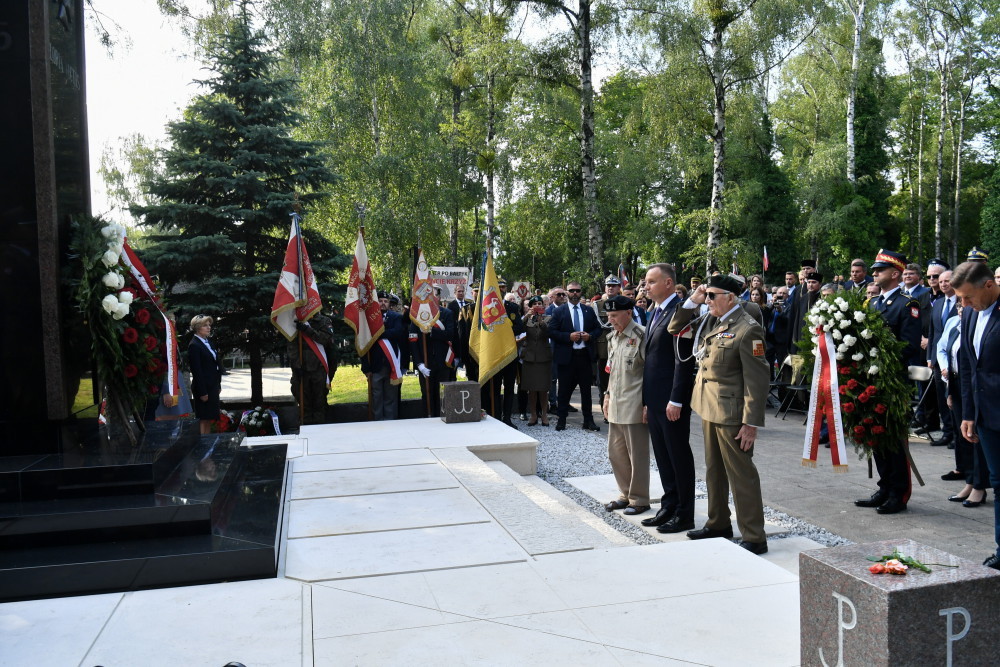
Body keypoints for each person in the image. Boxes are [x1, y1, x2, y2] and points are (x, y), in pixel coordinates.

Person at [668, 274, 770, 554]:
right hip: (707, 405)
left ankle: (754, 535)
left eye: (713, 295)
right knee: (713, 470)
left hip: (732, 412)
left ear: (731, 297)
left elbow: (757, 380)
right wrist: (694, 299)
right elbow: (674, 328)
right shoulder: (711, 319)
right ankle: (718, 523)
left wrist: (751, 422)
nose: (708, 299)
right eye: (706, 294)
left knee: (741, 474)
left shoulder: (747, 328)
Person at [855, 250, 921, 515]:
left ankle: (899, 492)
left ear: (895, 274)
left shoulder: (908, 304)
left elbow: (909, 345)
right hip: (870, 381)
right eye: (874, 270)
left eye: (879, 270)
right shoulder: (871, 305)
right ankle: (884, 486)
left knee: (893, 438)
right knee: (875, 435)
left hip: (893, 382)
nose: (874, 273)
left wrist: (879, 358)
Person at [640, 264, 696, 533]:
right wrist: (646, 401)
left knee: (678, 456)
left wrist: (676, 399)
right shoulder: (655, 311)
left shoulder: (681, 312)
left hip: (672, 400)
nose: (645, 286)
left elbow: (682, 361)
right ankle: (669, 505)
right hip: (655, 398)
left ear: (669, 283)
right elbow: (650, 361)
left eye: (651, 282)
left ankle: (685, 513)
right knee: (662, 456)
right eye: (645, 282)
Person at [953, 260, 1000, 570]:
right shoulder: (970, 314)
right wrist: (969, 413)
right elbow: (969, 366)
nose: (963, 304)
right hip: (985, 417)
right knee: (998, 481)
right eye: (960, 298)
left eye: (967, 296)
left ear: (989, 285)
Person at [602, 295, 651, 516]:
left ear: (628, 313)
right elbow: (611, 371)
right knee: (616, 453)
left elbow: (651, 374)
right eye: (608, 316)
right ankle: (626, 493)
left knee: (637, 454)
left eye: (614, 315)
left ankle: (639, 499)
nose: (610, 320)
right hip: (616, 402)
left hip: (635, 403)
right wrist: (606, 396)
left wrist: (648, 403)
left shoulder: (642, 335)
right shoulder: (613, 337)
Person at [549, 280, 602, 431]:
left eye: (577, 291)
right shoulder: (559, 311)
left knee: (586, 391)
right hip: (567, 357)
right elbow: (551, 331)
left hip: (584, 356)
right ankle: (562, 420)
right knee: (564, 390)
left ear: (581, 292)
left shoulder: (588, 310)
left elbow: (598, 329)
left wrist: (590, 336)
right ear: (567, 292)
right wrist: (568, 336)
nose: (575, 294)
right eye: (572, 291)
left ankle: (588, 420)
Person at [409, 295, 456, 418]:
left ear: (439, 298)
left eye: (434, 295)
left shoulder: (447, 313)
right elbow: (413, 340)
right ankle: (428, 420)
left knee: (442, 395)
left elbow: (450, 334)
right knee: (427, 394)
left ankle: (443, 420)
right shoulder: (416, 316)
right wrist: (419, 364)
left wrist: (432, 331)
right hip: (425, 363)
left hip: (443, 362)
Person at [362, 291, 406, 420]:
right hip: (375, 365)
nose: (383, 303)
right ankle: (377, 423)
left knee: (390, 397)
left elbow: (397, 333)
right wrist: (366, 367)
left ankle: (390, 423)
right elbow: (363, 344)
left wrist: (377, 334)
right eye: (380, 301)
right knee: (376, 396)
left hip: (391, 364)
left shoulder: (396, 317)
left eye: (385, 301)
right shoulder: (368, 319)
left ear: (389, 304)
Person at [926, 270, 958, 446]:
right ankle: (947, 432)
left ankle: (958, 434)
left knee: (954, 397)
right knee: (941, 398)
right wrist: (931, 357)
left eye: (948, 281)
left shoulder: (962, 302)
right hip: (938, 359)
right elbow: (932, 332)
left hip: (955, 360)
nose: (944, 284)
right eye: (941, 281)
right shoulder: (938, 303)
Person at [289, 312, 336, 425]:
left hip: (319, 368)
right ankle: (306, 431)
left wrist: (307, 329)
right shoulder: (296, 322)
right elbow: (292, 346)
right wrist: (296, 365)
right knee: (304, 403)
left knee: (319, 402)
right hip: (302, 369)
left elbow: (324, 339)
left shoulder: (324, 321)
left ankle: (319, 432)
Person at [188, 314, 224, 435]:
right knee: (203, 418)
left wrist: (218, 384)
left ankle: (207, 444)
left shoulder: (208, 342)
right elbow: (196, 370)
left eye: (209, 325)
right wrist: (203, 392)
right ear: (198, 327)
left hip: (212, 386)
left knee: (209, 417)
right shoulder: (194, 345)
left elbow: (215, 364)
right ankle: (202, 445)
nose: (209, 328)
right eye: (205, 325)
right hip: (203, 388)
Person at [521, 296, 552, 426]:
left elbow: (550, 332)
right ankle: (533, 414)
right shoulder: (527, 319)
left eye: (540, 303)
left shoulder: (548, 318)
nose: (538, 306)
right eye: (535, 304)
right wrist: (527, 316)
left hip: (543, 357)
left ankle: (544, 414)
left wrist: (541, 322)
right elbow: (518, 328)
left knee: (543, 388)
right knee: (532, 388)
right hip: (529, 357)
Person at [592, 274, 622, 409]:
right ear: (605, 288)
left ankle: (617, 406)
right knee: (603, 380)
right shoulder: (597, 306)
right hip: (603, 348)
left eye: (613, 286)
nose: (610, 288)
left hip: (621, 346)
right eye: (608, 286)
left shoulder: (624, 303)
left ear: (619, 288)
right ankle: (605, 406)